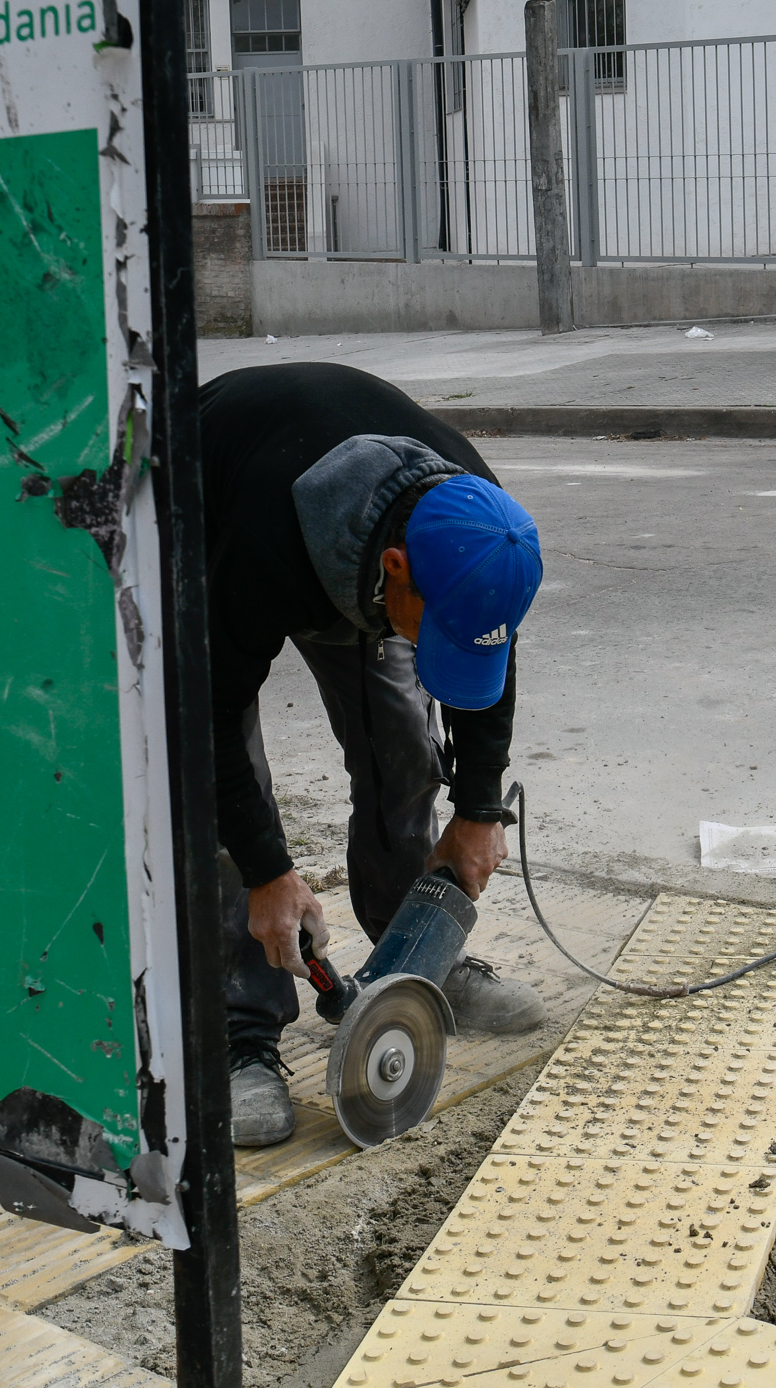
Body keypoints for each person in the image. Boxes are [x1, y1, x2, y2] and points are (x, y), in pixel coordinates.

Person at [197, 361, 552, 1146]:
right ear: (396, 570)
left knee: (402, 743)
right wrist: (268, 873)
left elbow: (489, 647)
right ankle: (241, 1030)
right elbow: (211, 714)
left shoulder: (478, 525)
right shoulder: (266, 545)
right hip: (213, 508)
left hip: (357, 551)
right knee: (220, 799)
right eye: (429, 622)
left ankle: (410, 962)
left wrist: (480, 809)